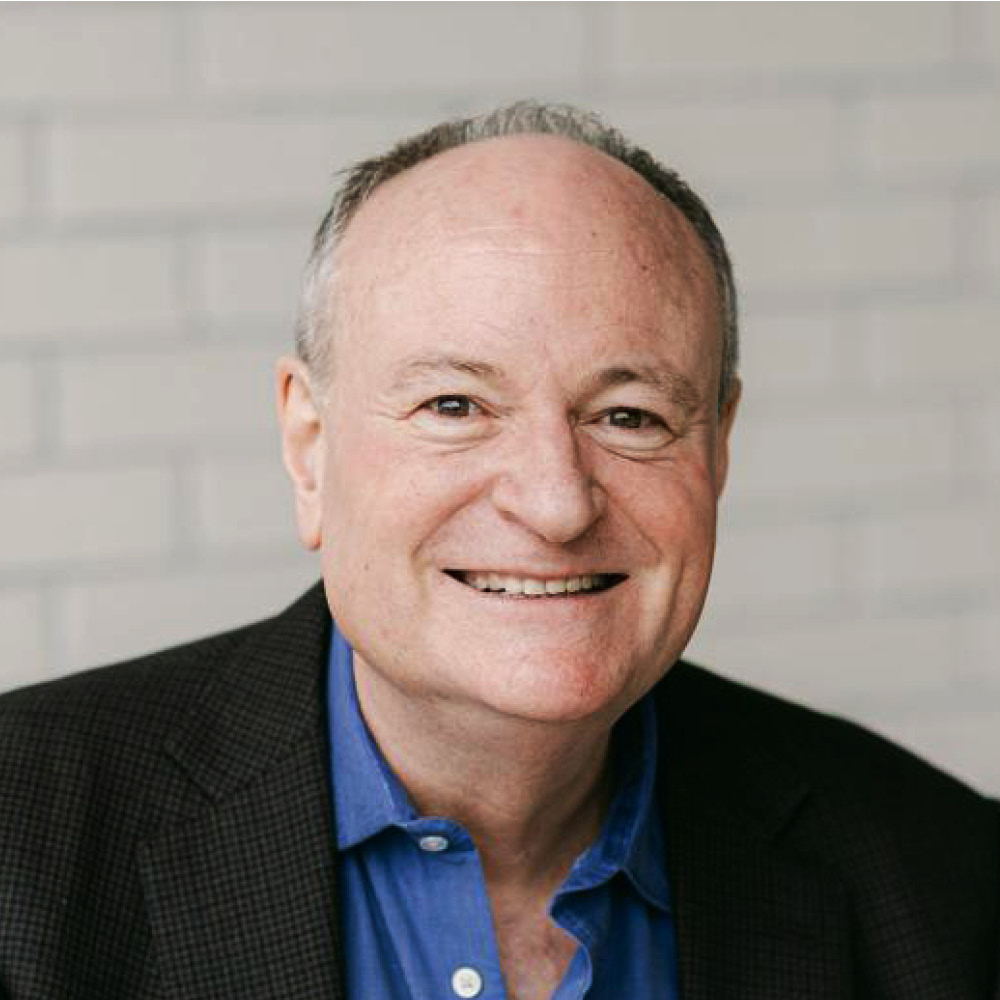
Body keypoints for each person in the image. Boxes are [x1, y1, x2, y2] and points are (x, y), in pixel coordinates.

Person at [0, 103, 996, 1000]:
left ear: (716, 448)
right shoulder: (22, 846)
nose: (556, 501)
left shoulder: (944, 878)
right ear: (308, 448)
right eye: (454, 405)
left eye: (629, 414)